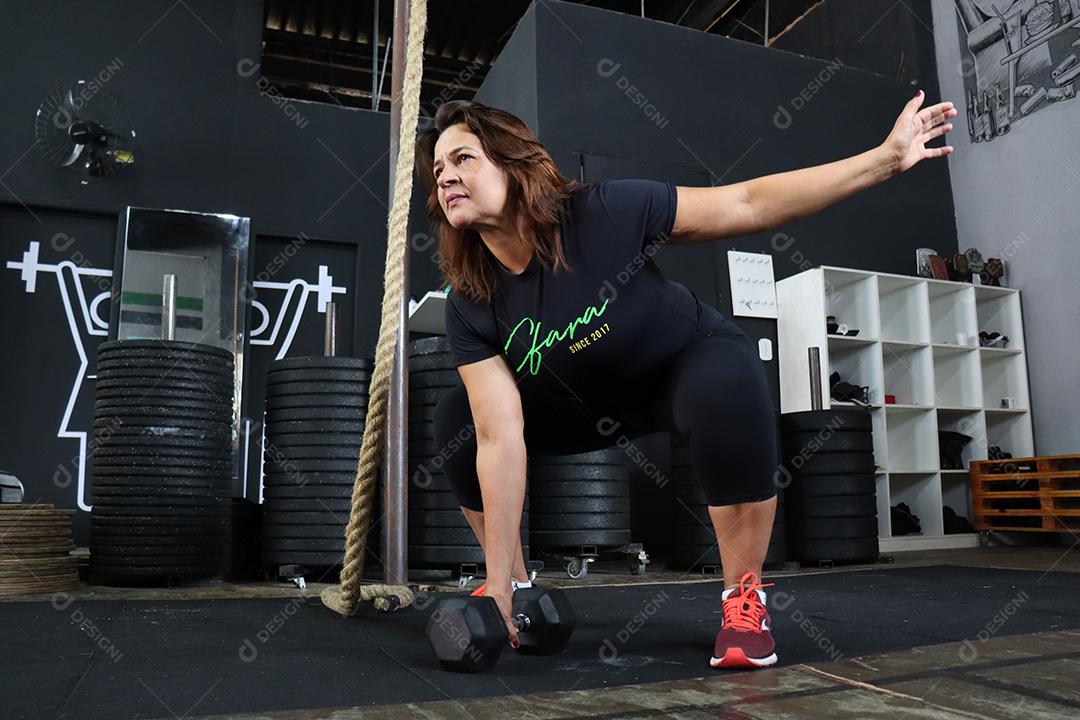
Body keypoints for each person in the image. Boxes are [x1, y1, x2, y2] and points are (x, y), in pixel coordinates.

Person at [414, 94, 956, 669]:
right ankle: (515, 591)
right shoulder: (471, 300)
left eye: (463, 158)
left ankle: (743, 599)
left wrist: (884, 160)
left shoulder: (605, 213)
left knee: (725, 378)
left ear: (514, 161)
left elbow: (747, 203)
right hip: (582, 404)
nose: (446, 176)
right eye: (439, 170)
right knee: (457, 421)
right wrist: (498, 580)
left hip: (679, 366)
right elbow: (499, 433)